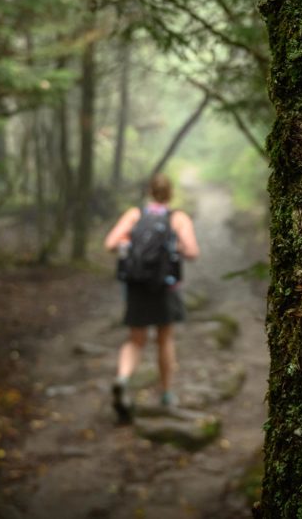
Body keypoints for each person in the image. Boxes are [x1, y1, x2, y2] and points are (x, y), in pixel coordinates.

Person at [103, 173, 199, 423]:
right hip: (164, 287)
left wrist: (130, 246)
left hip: (137, 285)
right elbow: (192, 251)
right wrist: (173, 247)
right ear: (171, 193)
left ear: (149, 192)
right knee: (164, 338)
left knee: (135, 339)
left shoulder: (135, 215)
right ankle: (166, 394)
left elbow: (110, 243)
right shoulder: (177, 218)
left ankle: (122, 378)